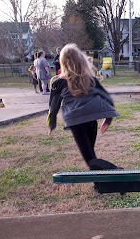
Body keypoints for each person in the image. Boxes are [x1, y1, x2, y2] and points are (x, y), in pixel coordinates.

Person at [47, 43, 120, 177]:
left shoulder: (58, 82)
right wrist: (108, 119)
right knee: (91, 153)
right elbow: (107, 97)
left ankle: (115, 172)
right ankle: (99, 184)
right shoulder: (91, 80)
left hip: (76, 122)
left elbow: (53, 106)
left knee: (90, 159)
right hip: (92, 119)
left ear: (62, 62)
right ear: (81, 60)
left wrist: (52, 124)